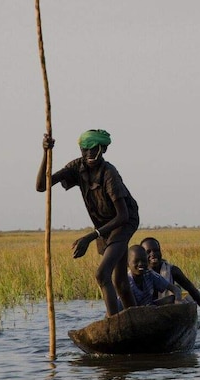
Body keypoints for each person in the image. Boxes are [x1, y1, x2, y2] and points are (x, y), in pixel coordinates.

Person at [37, 130, 140, 317]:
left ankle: (113, 323)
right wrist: (45, 152)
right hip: (104, 226)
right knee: (120, 282)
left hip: (123, 222)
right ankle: (137, 318)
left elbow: (123, 216)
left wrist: (91, 237)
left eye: (94, 150)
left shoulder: (109, 173)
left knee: (102, 274)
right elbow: (41, 186)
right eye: (85, 150)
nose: (89, 155)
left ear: (104, 149)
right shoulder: (78, 166)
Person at [141, 236, 200, 325]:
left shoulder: (172, 270)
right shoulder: (139, 273)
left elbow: (192, 290)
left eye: (156, 250)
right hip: (148, 313)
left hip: (170, 311)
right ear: (141, 255)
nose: (153, 254)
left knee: (184, 298)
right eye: (148, 252)